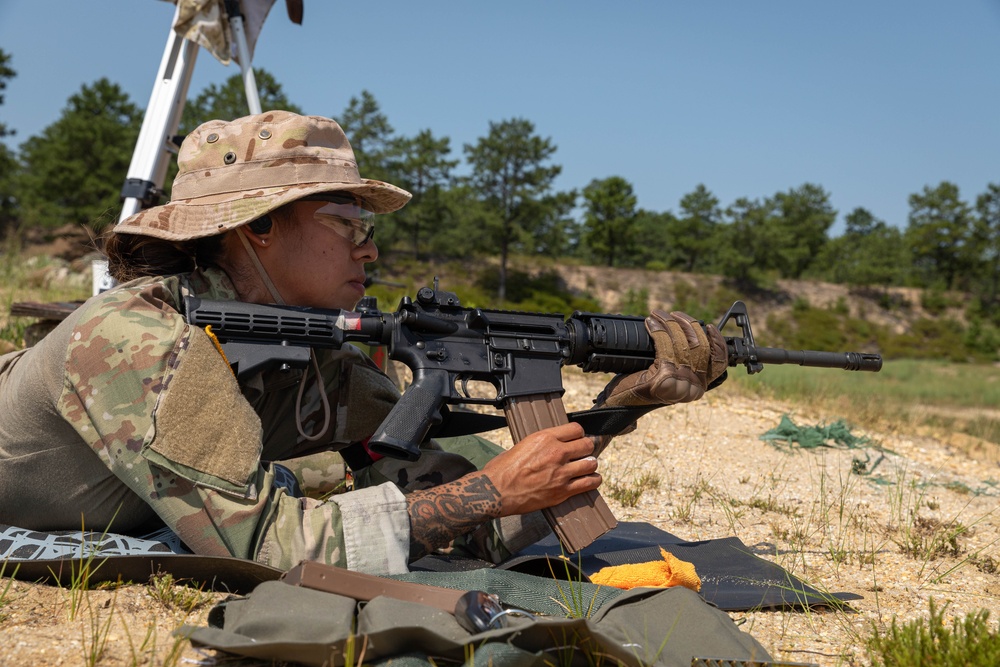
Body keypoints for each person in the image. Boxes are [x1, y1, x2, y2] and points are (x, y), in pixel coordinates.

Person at [0, 110, 728, 575]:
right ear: (257, 227)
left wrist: (623, 405)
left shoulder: (311, 358)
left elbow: (468, 522)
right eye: (348, 222)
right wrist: (490, 488)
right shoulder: (134, 339)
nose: (368, 252)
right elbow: (269, 548)